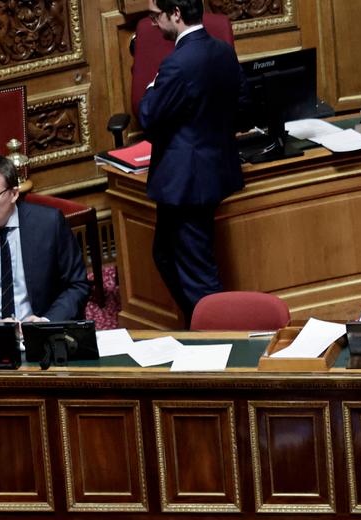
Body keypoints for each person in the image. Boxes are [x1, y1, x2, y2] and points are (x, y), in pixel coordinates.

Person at [138, 0, 243, 323]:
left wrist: (153, 86)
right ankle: (197, 323)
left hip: (186, 183)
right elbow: (243, 102)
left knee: (199, 274)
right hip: (211, 171)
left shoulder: (176, 65)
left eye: (157, 15)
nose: (154, 23)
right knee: (165, 254)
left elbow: (147, 115)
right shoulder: (223, 51)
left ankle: (222, 341)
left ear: (176, 14)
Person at [0, 155, 90, 326]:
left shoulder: (49, 224)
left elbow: (77, 285)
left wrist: (47, 321)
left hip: (44, 328)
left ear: (13, 194)